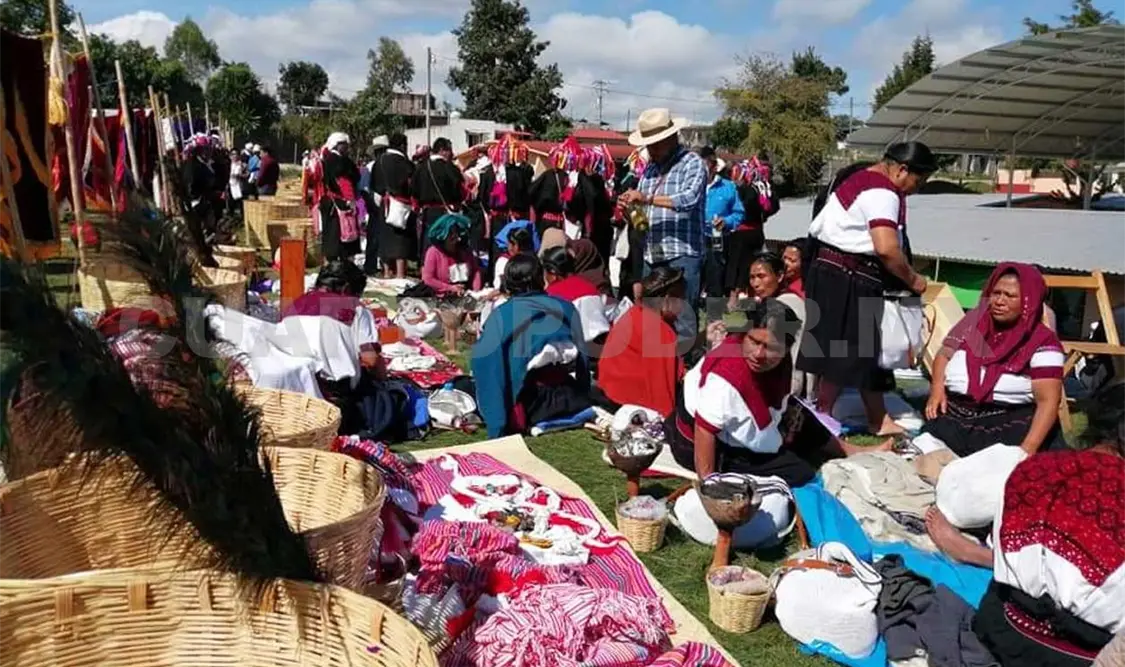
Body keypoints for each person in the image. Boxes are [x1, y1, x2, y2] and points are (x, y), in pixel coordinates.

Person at [921, 383, 1125, 667]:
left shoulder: (1033, 469)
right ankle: (973, 553)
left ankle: (973, 553)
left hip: (1004, 628)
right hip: (1083, 656)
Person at [667, 299, 886, 487]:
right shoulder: (725, 380)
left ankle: (849, 450)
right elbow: (705, 431)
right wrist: (711, 484)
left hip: (723, 429)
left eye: (770, 347)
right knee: (800, 473)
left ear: (787, 347)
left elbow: (778, 398)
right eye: (754, 341)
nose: (758, 354)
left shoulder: (781, 362)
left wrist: (781, 421)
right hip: (698, 444)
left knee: (801, 415)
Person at [796, 141, 936, 436]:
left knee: (836, 351)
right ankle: (879, 420)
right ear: (902, 170)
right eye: (918, 181)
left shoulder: (859, 179)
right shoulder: (883, 191)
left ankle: (823, 410)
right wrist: (914, 280)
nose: (915, 188)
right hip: (850, 274)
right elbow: (886, 248)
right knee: (866, 353)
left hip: (827, 269)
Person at [923, 262, 1065, 457]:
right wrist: (937, 388)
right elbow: (944, 353)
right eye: (996, 293)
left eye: (1010, 296)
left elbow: (1048, 401)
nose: (999, 301)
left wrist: (1026, 451)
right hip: (954, 419)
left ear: (1028, 300)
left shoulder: (1042, 341)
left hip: (1007, 427)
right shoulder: (974, 322)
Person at [471, 253, 592, 437]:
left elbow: (486, 364)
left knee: (467, 387)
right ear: (540, 278)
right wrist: (584, 392)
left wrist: (497, 424)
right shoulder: (566, 307)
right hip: (569, 396)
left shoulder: (503, 314)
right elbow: (583, 356)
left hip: (532, 403)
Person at [618, 108, 707, 348]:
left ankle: (682, 371)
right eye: (648, 145)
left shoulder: (693, 163)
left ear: (670, 139)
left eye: (655, 145)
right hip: (652, 253)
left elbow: (688, 200)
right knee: (651, 318)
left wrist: (645, 198)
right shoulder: (650, 169)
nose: (651, 151)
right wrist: (630, 208)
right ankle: (655, 370)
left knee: (682, 317)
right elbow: (644, 212)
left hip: (682, 254)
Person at [597, 267, 686, 417]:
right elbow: (661, 388)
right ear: (667, 299)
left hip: (610, 392)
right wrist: (668, 421)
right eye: (682, 298)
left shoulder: (636, 312)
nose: (684, 304)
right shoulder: (658, 331)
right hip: (631, 403)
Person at [699, 146, 745, 318]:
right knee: (690, 287)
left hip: (716, 243)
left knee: (715, 288)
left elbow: (739, 213)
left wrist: (726, 222)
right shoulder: (690, 186)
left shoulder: (728, 187)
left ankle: (714, 330)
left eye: (704, 166)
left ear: (713, 166)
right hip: (693, 242)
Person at [542, 245, 611, 345]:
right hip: (602, 346)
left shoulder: (551, 294)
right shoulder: (591, 287)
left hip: (575, 351)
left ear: (552, 273)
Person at [373, 133, 415, 279]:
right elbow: (412, 185)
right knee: (400, 239)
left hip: (384, 204)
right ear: (403, 146)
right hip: (401, 205)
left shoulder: (379, 161)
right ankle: (400, 273)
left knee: (385, 237)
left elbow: (375, 185)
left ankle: (386, 272)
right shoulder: (405, 163)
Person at [413, 137, 464, 256]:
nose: (452, 153)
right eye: (450, 150)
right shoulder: (450, 168)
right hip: (446, 211)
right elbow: (460, 189)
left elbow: (414, 191)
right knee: (444, 241)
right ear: (442, 150)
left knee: (428, 239)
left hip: (427, 211)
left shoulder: (421, 167)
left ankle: (425, 266)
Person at [318, 133, 361, 262]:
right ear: (337, 145)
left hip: (330, 202)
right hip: (339, 202)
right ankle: (340, 265)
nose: (347, 148)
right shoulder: (339, 161)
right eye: (344, 145)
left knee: (330, 235)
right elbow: (344, 182)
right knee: (340, 236)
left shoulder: (328, 159)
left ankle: (331, 263)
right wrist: (351, 200)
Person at [421, 213, 481, 297]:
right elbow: (428, 279)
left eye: (456, 232)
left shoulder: (466, 251)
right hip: (441, 297)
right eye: (450, 233)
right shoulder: (433, 252)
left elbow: (475, 272)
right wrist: (450, 288)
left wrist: (475, 292)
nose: (454, 235)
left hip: (466, 295)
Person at [493, 226, 533, 290]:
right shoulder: (503, 261)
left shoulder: (532, 261)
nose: (510, 248)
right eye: (509, 243)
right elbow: (503, 288)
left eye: (514, 244)